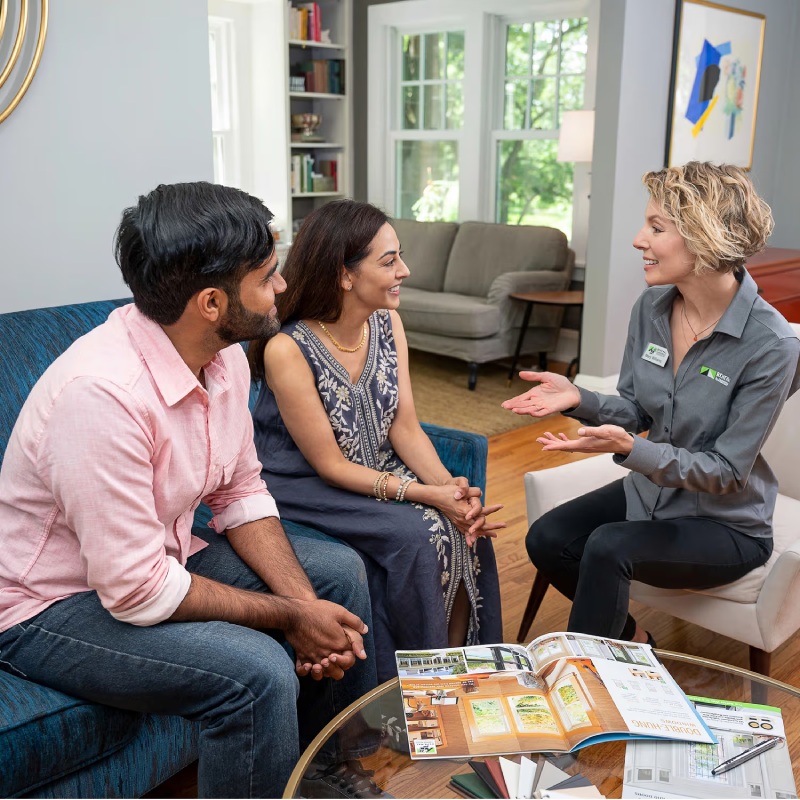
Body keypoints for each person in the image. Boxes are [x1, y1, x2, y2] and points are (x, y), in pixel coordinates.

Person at [0, 182, 385, 799]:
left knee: (338, 574)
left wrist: (308, 609)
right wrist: (294, 615)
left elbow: (241, 490)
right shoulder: (100, 397)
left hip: (154, 559)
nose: (283, 285)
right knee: (258, 673)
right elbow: (137, 591)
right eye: (267, 275)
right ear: (211, 302)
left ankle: (323, 777)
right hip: (48, 605)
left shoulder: (222, 353)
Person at [502, 161, 800, 645]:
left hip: (725, 524)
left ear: (705, 236)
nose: (639, 240)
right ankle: (634, 642)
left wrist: (630, 449)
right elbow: (637, 410)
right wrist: (580, 397)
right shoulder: (653, 307)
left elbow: (727, 471)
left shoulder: (772, 344)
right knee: (547, 537)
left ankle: (585, 677)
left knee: (608, 546)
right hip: (653, 495)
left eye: (656, 228)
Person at [248, 199, 504, 681]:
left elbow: (405, 427)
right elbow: (330, 465)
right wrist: (426, 495)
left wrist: (449, 488)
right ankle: (416, 688)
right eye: (389, 262)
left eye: (399, 256)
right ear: (344, 275)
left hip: (374, 467)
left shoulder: (387, 323)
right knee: (419, 535)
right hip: (303, 483)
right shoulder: (287, 348)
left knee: (467, 528)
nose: (404, 270)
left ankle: (462, 671)